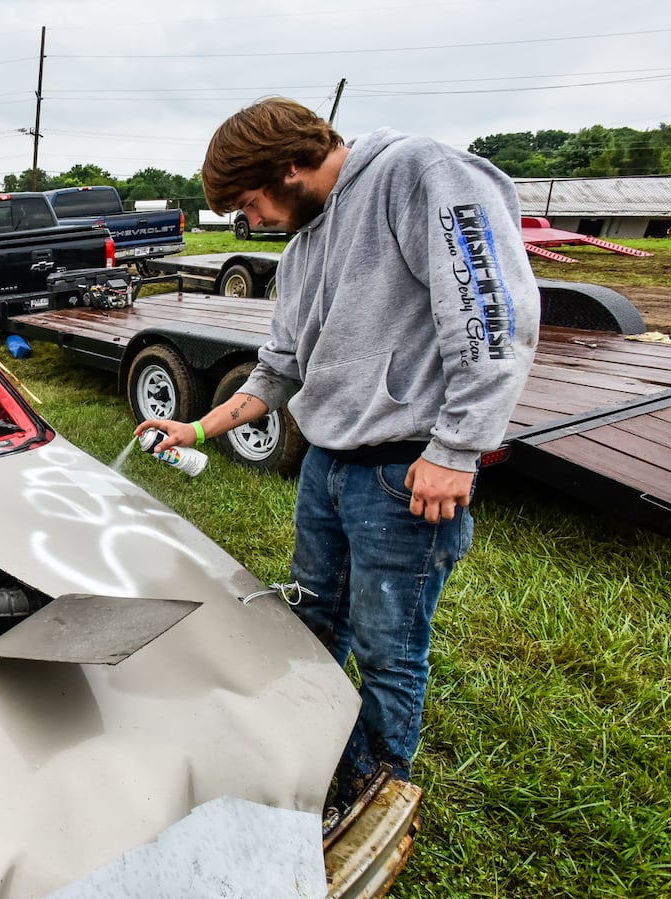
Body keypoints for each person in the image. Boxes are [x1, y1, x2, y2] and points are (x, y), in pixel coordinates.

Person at [137, 98, 539, 808]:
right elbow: (278, 370)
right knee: (313, 617)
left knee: (390, 652)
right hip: (327, 466)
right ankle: (304, 750)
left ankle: (373, 792)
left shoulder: (420, 175)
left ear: (289, 166)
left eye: (251, 202)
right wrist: (196, 429)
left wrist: (457, 448)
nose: (251, 221)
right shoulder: (302, 248)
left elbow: (491, 315)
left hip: (404, 472)